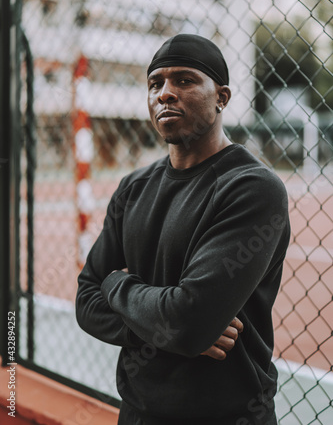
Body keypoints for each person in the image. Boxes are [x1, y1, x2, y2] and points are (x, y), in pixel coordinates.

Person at [76, 34, 290, 425]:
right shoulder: (133, 188)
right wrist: (169, 328)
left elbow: (188, 321)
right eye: (155, 83)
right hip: (138, 413)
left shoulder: (252, 187)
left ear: (221, 97)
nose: (165, 93)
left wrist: (115, 286)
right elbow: (85, 303)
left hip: (227, 416)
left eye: (185, 80)